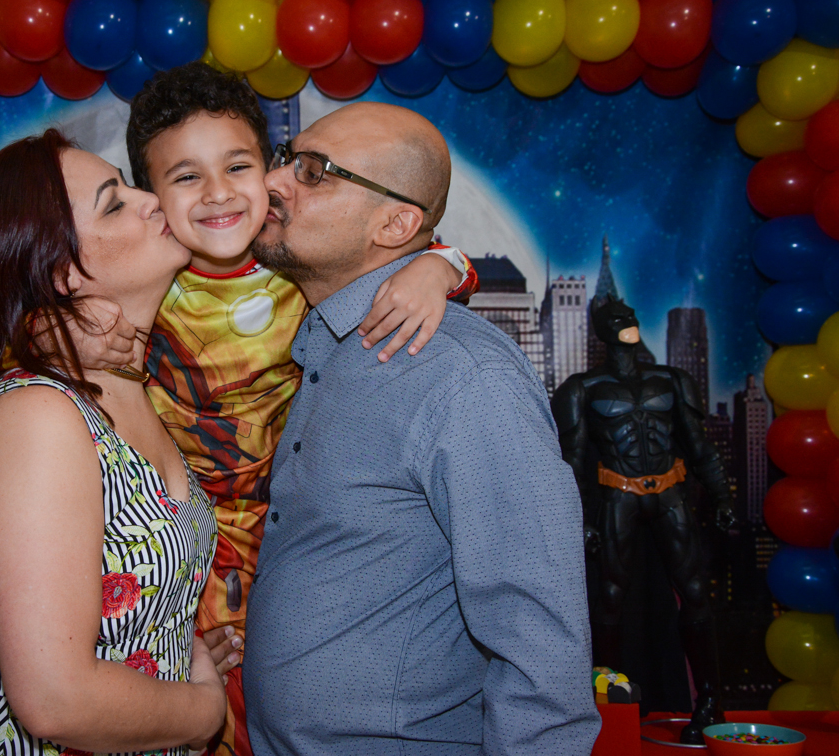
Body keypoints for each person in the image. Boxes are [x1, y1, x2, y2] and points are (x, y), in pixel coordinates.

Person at [122, 63, 478, 756]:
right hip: (182, 541)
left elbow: (422, 243)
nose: (219, 192)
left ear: (269, 171)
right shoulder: (143, 275)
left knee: (285, 697)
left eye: (238, 166)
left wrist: (438, 268)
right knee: (200, 704)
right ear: (150, 198)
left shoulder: (299, 259)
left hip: (295, 533)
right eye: (186, 176)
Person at [241, 102, 600, 755]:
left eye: (314, 171)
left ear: (396, 224)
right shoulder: (331, 348)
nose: (273, 180)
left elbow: (540, 645)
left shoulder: (465, 377)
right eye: (286, 159)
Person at [0, 130, 240, 756]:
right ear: (62, 274)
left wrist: (173, 652)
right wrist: (202, 710)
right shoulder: (37, 417)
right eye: (114, 204)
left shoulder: (131, 391)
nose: (151, 199)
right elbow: (55, 700)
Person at [552, 298, 735, 744]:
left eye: (630, 315)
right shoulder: (581, 389)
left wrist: (722, 495)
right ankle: (607, 705)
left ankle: (710, 701)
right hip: (617, 494)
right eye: (615, 318)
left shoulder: (672, 381)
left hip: (670, 491)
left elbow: (700, 446)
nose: (626, 321)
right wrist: (579, 520)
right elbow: (571, 463)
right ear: (600, 330)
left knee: (695, 593)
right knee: (609, 598)